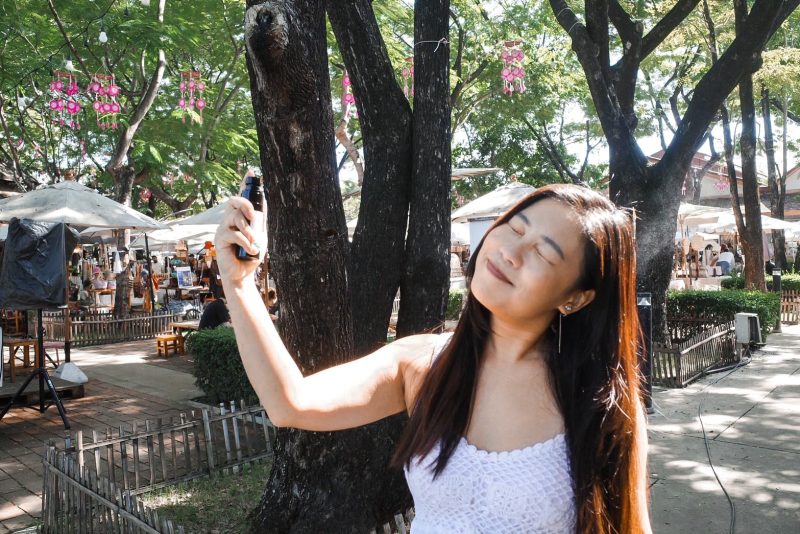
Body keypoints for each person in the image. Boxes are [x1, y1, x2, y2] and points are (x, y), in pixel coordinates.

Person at [214, 184, 652, 533]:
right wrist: (239, 285)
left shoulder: (600, 404)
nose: (510, 252)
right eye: (515, 229)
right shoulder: (422, 363)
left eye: (543, 252)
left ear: (575, 298)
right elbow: (291, 404)